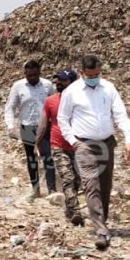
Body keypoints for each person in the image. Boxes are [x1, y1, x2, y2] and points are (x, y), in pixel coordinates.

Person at [56, 55, 130, 250]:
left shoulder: (108, 88)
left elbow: (120, 114)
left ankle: (103, 220)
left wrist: (129, 140)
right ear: (82, 73)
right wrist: (73, 142)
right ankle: (100, 230)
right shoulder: (72, 91)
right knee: (91, 186)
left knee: (105, 185)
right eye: (90, 75)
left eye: (97, 74)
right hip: (84, 144)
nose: (94, 78)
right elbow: (62, 118)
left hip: (107, 143)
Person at [36, 67, 83, 226]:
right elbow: (43, 124)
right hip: (58, 145)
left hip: (78, 146)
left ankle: (69, 207)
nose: (59, 83)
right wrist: (37, 143)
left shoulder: (82, 100)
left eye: (63, 80)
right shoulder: (50, 101)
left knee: (77, 180)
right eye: (58, 80)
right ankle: (75, 211)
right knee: (67, 177)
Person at [4, 59, 55, 199]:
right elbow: (10, 107)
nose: (32, 78)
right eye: (29, 75)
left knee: (47, 157)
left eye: (35, 75)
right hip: (27, 127)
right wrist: (10, 126)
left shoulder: (47, 85)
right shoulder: (18, 86)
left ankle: (52, 191)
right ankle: (36, 189)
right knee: (31, 158)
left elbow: (55, 103)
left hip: (44, 127)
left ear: (39, 72)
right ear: (25, 73)